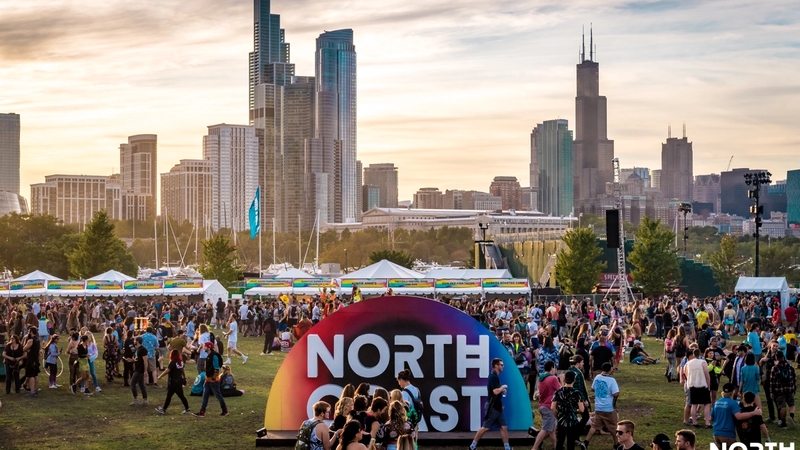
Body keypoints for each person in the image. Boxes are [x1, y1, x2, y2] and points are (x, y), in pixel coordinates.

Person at [469, 358, 510, 450]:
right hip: (493, 408)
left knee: (503, 427)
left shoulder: (495, 376)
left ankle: (507, 448)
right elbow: (495, 391)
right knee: (485, 428)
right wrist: (503, 387)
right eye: (501, 365)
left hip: (498, 407)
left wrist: (500, 404)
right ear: (496, 366)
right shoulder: (493, 377)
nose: (503, 366)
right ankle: (472, 446)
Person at [711, 383, 762, 447]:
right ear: (733, 392)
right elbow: (739, 416)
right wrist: (754, 413)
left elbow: (711, 417)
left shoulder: (717, 402)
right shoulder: (733, 403)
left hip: (716, 433)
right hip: (727, 434)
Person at [583, 362, 620, 449]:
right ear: (610, 369)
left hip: (598, 407)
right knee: (614, 427)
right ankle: (616, 445)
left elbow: (592, 388)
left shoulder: (597, 377)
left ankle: (585, 442)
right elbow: (615, 393)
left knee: (595, 426)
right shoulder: (611, 380)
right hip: (609, 408)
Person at [193, 341, 228, 417]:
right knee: (205, 395)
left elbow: (216, 368)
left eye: (205, 346)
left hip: (213, 380)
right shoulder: (209, 355)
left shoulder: (214, 356)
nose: (203, 348)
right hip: (208, 379)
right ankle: (202, 412)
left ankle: (225, 410)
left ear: (209, 347)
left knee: (218, 395)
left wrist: (213, 378)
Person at [551, 370, 584, 450]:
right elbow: (582, 409)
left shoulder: (558, 392)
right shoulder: (577, 393)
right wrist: (573, 411)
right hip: (572, 420)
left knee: (560, 441)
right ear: (574, 380)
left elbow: (552, 407)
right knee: (571, 442)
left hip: (561, 419)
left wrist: (557, 416)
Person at [533, 360, 560, 450]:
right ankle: (534, 448)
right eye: (555, 368)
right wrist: (562, 380)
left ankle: (556, 447)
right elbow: (561, 391)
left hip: (542, 405)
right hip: (549, 407)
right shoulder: (553, 378)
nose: (555, 370)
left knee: (552, 430)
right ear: (552, 368)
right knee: (545, 429)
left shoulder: (541, 378)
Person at [155, 349, 190, 415]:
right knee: (181, 396)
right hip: (179, 381)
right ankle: (187, 409)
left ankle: (163, 409)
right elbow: (183, 370)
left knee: (170, 396)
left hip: (174, 382)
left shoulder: (173, 362)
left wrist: (160, 376)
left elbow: (167, 370)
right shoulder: (180, 362)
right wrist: (184, 377)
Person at [684, 349, 712, 428]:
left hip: (692, 386)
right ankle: (707, 422)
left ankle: (694, 422)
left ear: (693, 354)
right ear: (700, 354)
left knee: (694, 404)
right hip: (702, 385)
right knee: (707, 404)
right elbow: (707, 375)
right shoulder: (703, 362)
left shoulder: (688, 363)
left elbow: (686, 374)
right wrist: (708, 386)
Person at [770, 350, 796, 428]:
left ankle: (783, 423)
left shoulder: (775, 368)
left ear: (777, 358)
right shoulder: (790, 366)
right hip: (790, 388)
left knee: (782, 406)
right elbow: (794, 378)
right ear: (783, 357)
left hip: (779, 390)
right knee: (792, 404)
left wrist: (771, 391)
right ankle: (791, 416)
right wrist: (794, 388)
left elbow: (772, 381)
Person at [22, 326, 41, 397]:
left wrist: (27, 350)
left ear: (31, 332)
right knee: (35, 375)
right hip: (36, 359)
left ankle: (32, 391)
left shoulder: (31, 340)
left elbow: (24, 349)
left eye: (29, 331)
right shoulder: (37, 340)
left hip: (31, 360)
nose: (28, 332)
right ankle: (35, 390)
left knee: (31, 375)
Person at [129, 336, 149, 406]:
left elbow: (145, 361)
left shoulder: (143, 349)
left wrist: (145, 370)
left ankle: (136, 399)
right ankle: (145, 400)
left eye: (134, 340)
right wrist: (131, 360)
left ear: (137, 341)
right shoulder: (137, 349)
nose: (133, 341)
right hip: (137, 368)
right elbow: (137, 359)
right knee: (141, 385)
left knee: (132, 384)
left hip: (140, 370)